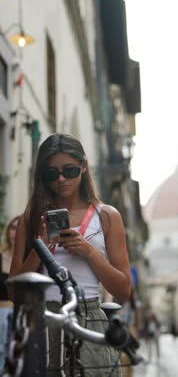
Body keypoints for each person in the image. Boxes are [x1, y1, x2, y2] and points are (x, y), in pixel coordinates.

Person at [9, 133, 131, 377]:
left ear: (84, 166)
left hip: (89, 316)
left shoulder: (107, 216)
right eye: (52, 173)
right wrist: (41, 247)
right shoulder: (31, 218)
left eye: (70, 170)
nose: (61, 179)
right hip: (42, 318)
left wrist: (88, 251)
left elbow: (124, 290)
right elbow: (14, 291)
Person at [0, 216, 19, 371]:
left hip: (22, 317)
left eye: (20, 228)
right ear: (8, 232)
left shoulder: (29, 259)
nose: (16, 232)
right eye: (13, 228)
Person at [118, 289, 142, 377]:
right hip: (127, 330)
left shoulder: (134, 304)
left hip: (129, 331)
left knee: (127, 356)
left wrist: (136, 334)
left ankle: (128, 374)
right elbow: (138, 321)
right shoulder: (124, 304)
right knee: (126, 356)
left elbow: (138, 320)